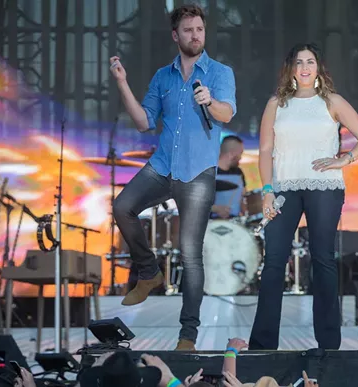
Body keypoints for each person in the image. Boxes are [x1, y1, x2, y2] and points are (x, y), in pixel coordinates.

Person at [109, 3, 236, 351]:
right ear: (175, 36)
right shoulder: (162, 77)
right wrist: (122, 84)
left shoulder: (220, 72)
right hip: (163, 165)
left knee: (189, 253)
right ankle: (148, 272)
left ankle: (188, 335)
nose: (195, 35)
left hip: (197, 173)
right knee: (122, 207)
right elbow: (143, 121)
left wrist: (209, 101)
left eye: (200, 30)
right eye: (188, 30)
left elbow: (226, 112)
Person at [248, 42, 358, 350]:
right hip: (283, 189)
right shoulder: (276, 104)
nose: (305, 67)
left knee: (323, 261)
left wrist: (344, 159)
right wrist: (267, 191)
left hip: (325, 188)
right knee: (275, 261)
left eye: (310, 62)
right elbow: (265, 150)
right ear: (291, 69)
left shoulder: (331, 101)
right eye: (299, 62)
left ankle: (329, 343)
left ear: (318, 67)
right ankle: (263, 345)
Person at [211, 135, 247, 219]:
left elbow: (243, 197)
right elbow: (194, 203)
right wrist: (215, 209)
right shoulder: (209, 172)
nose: (241, 158)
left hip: (236, 223)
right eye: (240, 153)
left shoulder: (239, 172)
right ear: (231, 154)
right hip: (211, 224)